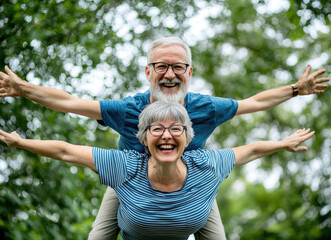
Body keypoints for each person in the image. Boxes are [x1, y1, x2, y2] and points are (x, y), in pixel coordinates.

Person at [0, 37, 328, 240]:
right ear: (148, 72)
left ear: (189, 72)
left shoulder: (206, 107)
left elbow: (253, 103)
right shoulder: (129, 110)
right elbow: (70, 103)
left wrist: (296, 90)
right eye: (161, 66)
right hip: (129, 184)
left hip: (189, 184)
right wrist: (23, 89)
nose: (169, 74)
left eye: (177, 67)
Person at [0, 101, 315, 240]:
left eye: (176, 128)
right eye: (157, 129)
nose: (167, 134)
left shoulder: (207, 165)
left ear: (188, 137)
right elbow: (66, 150)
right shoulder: (124, 166)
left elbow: (253, 148)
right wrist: (21, 142)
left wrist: (283, 143)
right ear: (144, 139)